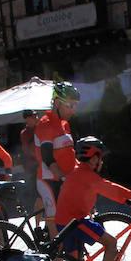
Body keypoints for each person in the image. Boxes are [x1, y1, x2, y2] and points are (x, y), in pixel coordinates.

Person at [54, 136, 131, 261]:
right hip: (76, 222)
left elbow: (91, 193)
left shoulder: (77, 172)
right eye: (101, 158)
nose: (102, 162)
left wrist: (127, 200)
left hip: (64, 223)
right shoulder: (88, 176)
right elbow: (111, 189)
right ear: (93, 158)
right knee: (111, 242)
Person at [34, 82, 82, 237]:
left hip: (64, 179)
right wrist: (63, 177)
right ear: (56, 102)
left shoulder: (65, 125)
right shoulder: (46, 124)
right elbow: (47, 157)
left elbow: (70, 154)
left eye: (75, 105)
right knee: (56, 227)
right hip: (48, 180)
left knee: (73, 221)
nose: (73, 110)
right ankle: (55, 257)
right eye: (70, 105)